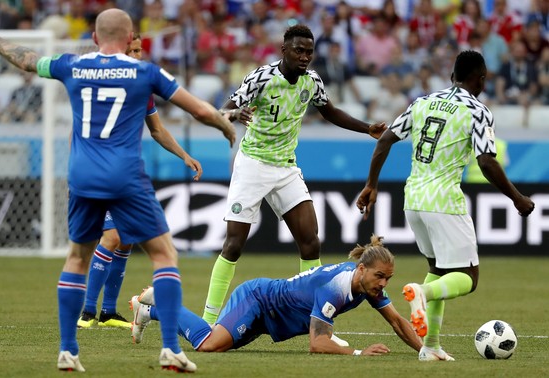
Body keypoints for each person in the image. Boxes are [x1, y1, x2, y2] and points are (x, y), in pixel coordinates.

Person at [0, 9, 236, 373]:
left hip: (82, 175)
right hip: (125, 175)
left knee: (77, 256)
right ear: (130, 40)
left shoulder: (72, 65)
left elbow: (27, 60)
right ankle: (171, 348)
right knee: (164, 255)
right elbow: (199, 110)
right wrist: (224, 125)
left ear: (94, 37)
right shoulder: (145, 72)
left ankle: (68, 350)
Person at [204, 25, 386, 348]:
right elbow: (224, 109)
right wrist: (234, 112)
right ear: (283, 50)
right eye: (299, 51)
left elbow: (329, 111)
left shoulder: (311, 81)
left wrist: (366, 128)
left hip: (286, 167)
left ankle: (317, 320)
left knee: (311, 242)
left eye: (309, 52)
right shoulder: (261, 78)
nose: (304, 57)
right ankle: (207, 321)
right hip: (253, 165)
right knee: (233, 245)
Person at [355, 50, 535, 361]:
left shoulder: (422, 101)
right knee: (467, 278)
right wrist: (517, 197)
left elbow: (385, 139)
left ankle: (431, 347)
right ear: (480, 79)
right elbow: (486, 161)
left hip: (413, 199)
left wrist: (372, 184)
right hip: (444, 200)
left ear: (452, 76)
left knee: (438, 271)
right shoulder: (477, 110)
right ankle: (422, 294)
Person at [77, 33, 203, 330]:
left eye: (140, 51)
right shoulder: (100, 82)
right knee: (111, 237)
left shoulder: (141, 88)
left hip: (128, 173)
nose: (138, 56)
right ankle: (86, 312)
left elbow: (157, 130)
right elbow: (78, 126)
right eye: (133, 50)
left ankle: (107, 311)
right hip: (100, 171)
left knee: (126, 239)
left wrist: (184, 155)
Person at [129, 235, 424, 357]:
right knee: (207, 346)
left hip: (269, 319)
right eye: (380, 276)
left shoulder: (367, 284)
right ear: (361, 269)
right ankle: (161, 304)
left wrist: (427, 350)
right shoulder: (335, 287)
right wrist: (359, 353)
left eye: (388, 278)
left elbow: (398, 322)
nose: (384, 283)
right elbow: (317, 343)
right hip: (258, 299)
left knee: (218, 344)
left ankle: (148, 311)